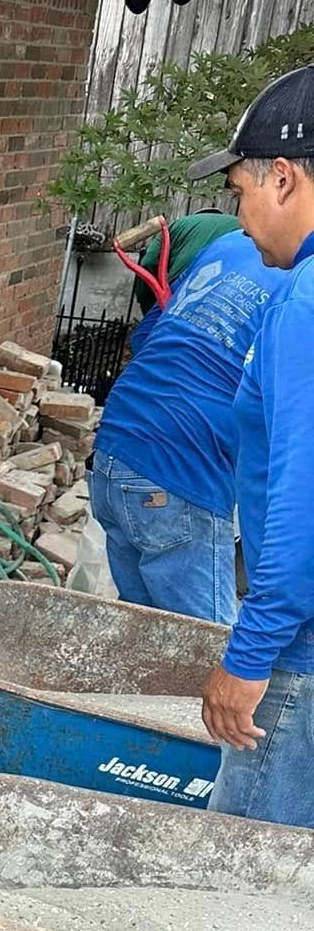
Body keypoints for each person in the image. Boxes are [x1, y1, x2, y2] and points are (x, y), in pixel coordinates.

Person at [189, 66, 314, 825]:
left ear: (284, 177)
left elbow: (307, 498)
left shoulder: (307, 304)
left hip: (301, 654)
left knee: (243, 888)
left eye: (237, 191)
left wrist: (249, 657)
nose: (237, 218)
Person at [90, 218, 285, 622]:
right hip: (179, 471)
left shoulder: (230, 243)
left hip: (115, 448)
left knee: (146, 635)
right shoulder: (301, 280)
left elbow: (148, 338)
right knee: (207, 650)